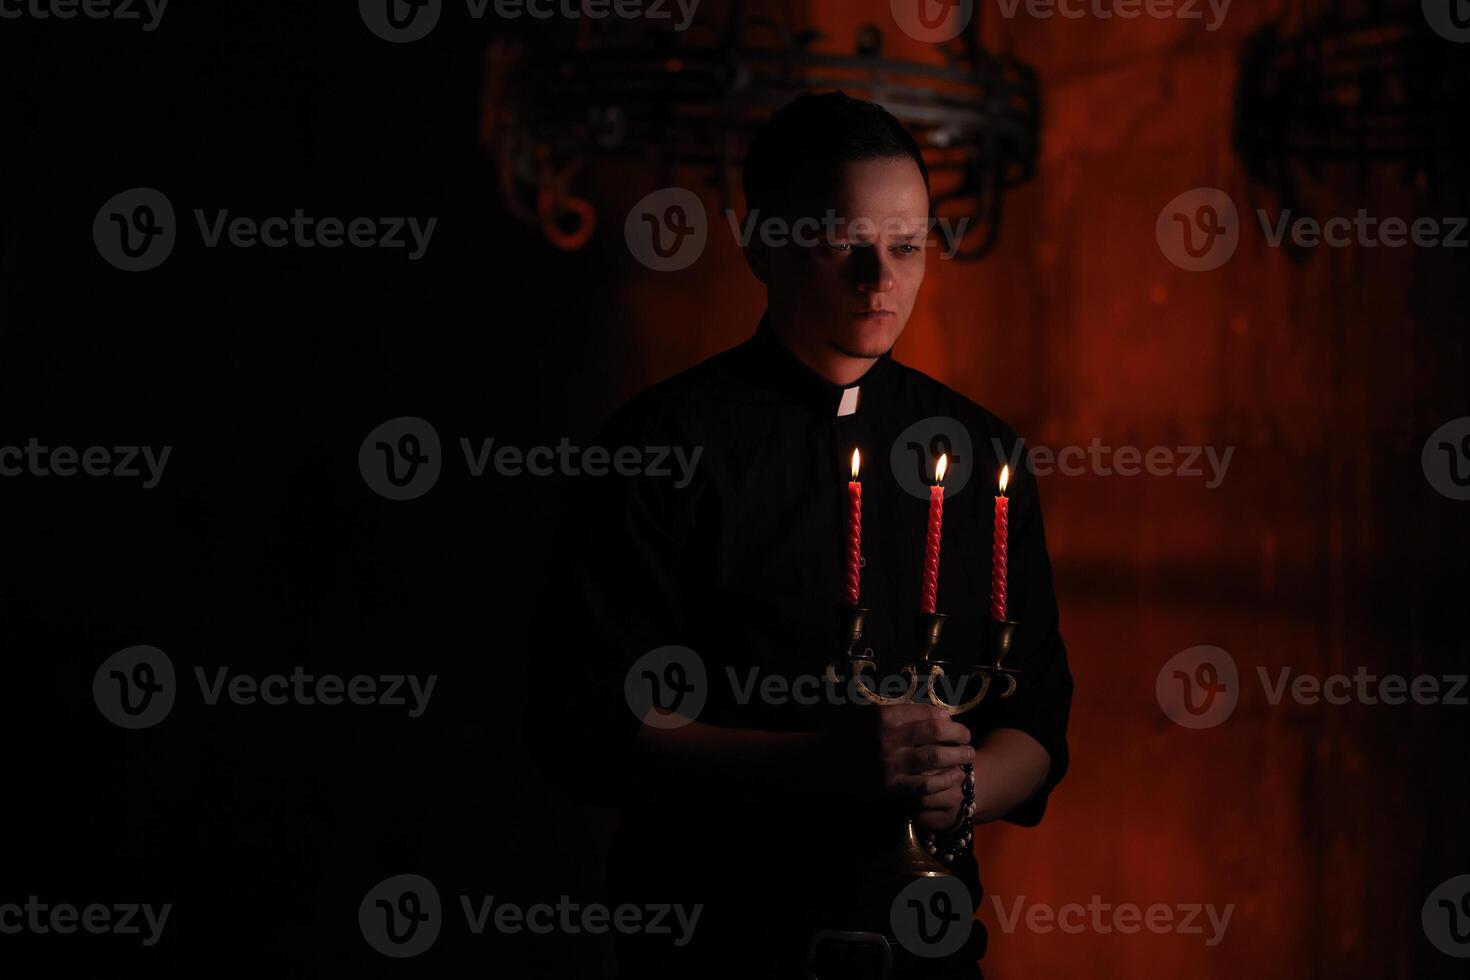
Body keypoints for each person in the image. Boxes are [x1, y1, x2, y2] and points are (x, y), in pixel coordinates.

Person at [530, 91, 1073, 979]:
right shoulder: (663, 445)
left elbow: (1038, 720)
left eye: (906, 248)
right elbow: (584, 726)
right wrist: (827, 766)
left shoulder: (978, 453)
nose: (879, 279)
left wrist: (959, 787)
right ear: (761, 246)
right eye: (841, 243)